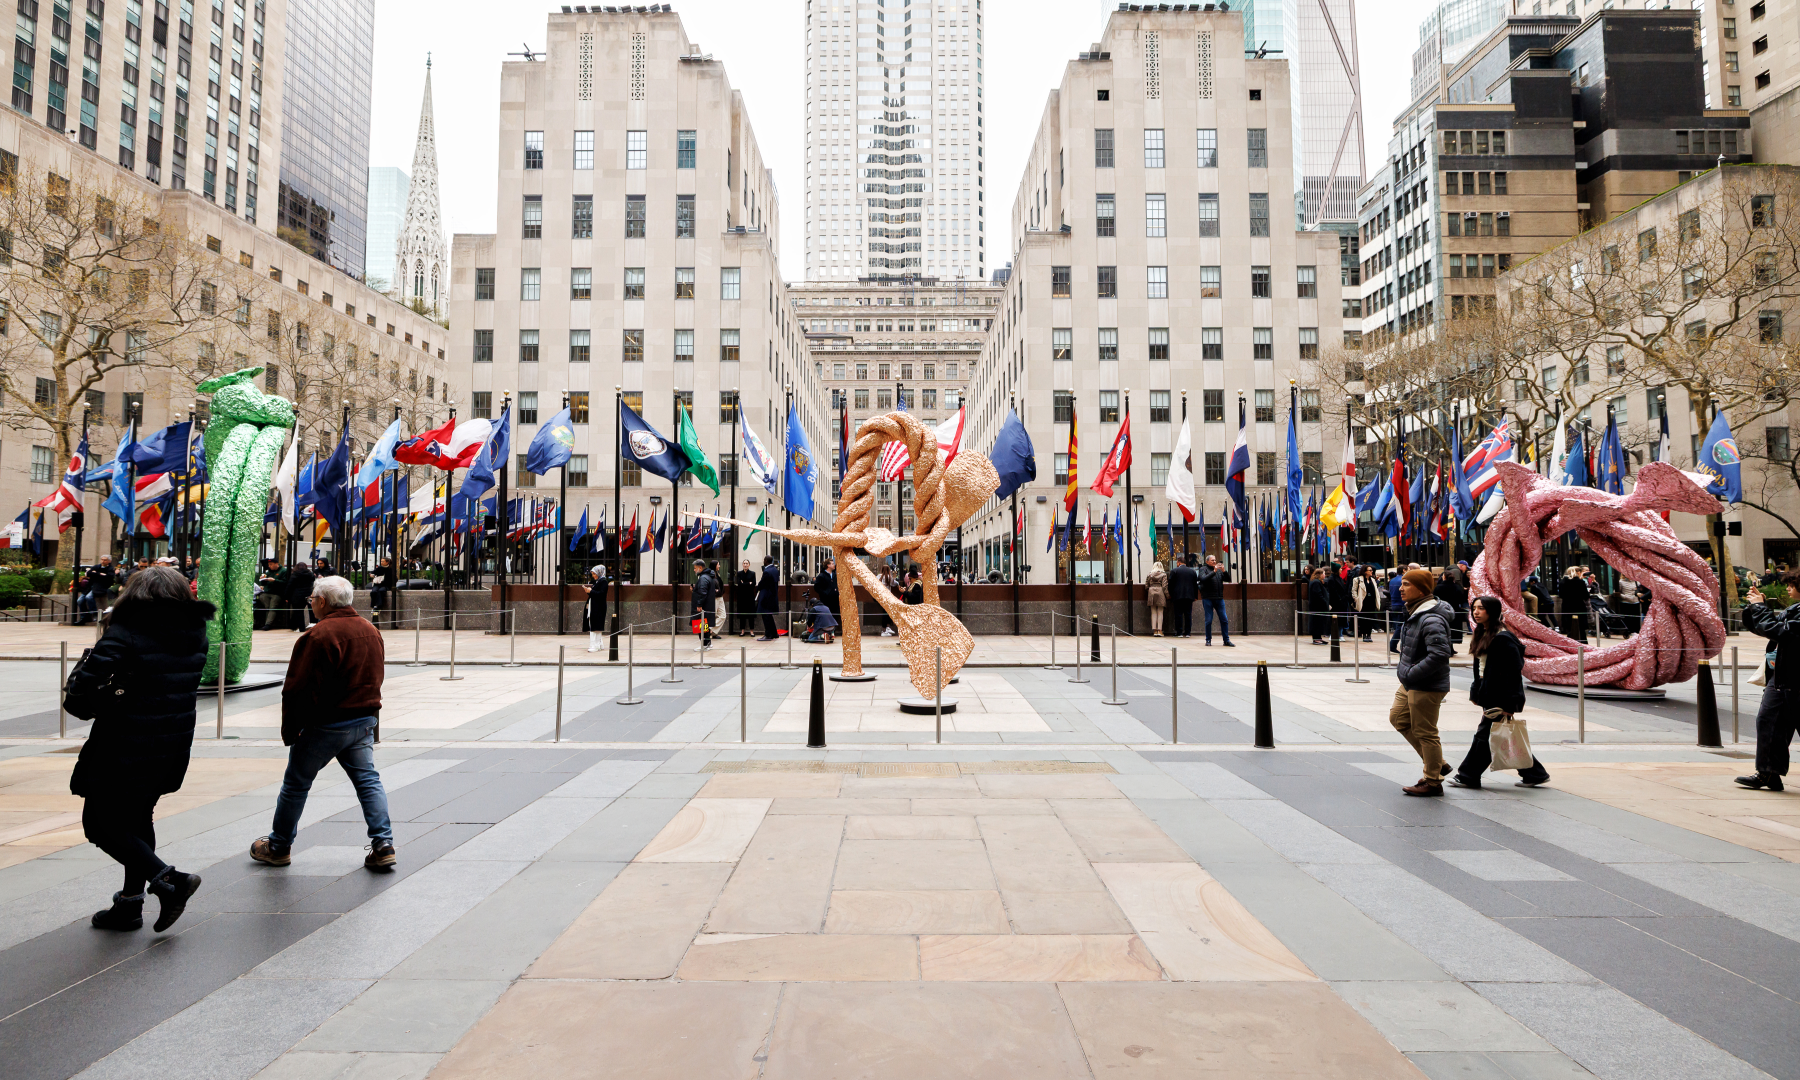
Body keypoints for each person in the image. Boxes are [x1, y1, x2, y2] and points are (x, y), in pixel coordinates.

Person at [69, 566, 213, 933]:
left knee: (99, 825)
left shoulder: (126, 632)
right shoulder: (195, 630)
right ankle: (130, 905)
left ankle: (170, 880)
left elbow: (81, 694)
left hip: (123, 746)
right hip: (171, 742)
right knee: (137, 820)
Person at [251, 575, 394, 871]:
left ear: (322, 602)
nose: (311, 603)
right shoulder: (370, 629)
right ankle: (383, 843)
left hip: (326, 724)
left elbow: (298, 688)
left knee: (295, 785)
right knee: (368, 781)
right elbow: (375, 676)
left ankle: (278, 846)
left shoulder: (318, 636)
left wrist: (293, 729)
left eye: (312, 599)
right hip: (363, 720)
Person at [1450, 596, 1549, 789]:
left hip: (1501, 697)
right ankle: (1534, 773)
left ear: (1492, 611)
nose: (1476, 612)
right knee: (1502, 736)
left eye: (1482, 608)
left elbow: (1513, 672)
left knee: (1485, 736)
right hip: (1490, 694)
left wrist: (1510, 704)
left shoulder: (1503, 638)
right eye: (1474, 608)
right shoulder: (1484, 632)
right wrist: (1476, 692)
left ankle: (1468, 775)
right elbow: (1480, 668)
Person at [1391, 568, 1453, 797]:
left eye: (1406, 584)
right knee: (1398, 718)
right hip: (1411, 680)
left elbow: (1439, 655)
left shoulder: (1431, 617)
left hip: (1425, 683)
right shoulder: (1416, 611)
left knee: (1425, 731)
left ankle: (1433, 780)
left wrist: (1411, 674)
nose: (1400, 588)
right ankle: (1437, 762)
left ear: (1422, 589)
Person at [1737, 571, 1800, 791]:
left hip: (1796, 680)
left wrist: (1760, 608)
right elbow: (1766, 626)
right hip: (1782, 677)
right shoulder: (1795, 609)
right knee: (1768, 721)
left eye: (1792, 585)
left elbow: (1779, 631)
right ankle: (1768, 773)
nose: (1787, 589)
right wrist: (1756, 606)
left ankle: (1769, 772)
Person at [1199, 554, 1233, 646]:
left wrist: (1224, 571)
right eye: (1212, 560)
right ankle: (1208, 640)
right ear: (1207, 562)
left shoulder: (1219, 571)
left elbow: (1228, 579)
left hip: (1219, 598)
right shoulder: (1203, 569)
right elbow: (1203, 579)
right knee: (1208, 620)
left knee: (1224, 619)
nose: (1214, 562)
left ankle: (1226, 640)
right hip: (1208, 598)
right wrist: (1213, 572)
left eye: (1215, 560)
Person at [1435, 567, 1468, 651]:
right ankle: (1451, 647)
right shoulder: (1457, 587)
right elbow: (1461, 599)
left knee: (1444, 629)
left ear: (1444, 577)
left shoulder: (1438, 587)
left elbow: (1435, 599)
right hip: (1454, 610)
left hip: (1441, 610)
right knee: (1453, 629)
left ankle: (1447, 647)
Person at [1167, 554, 1199, 638]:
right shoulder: (1192, 571)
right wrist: (1196, 596)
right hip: (1189, 596)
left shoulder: (1174, 571)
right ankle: (1188, 632)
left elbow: (1170, 584)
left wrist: (1171, 594)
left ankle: (1179, 632)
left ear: (1178, 562)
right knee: (1188, 614)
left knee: (1178, 614)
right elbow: (1195, 585)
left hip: (1177, 596)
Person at [691, 559, 719, 649]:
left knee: (701, 626)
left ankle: (704, 645)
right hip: (707, 606)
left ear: (700, 567)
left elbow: (703, 592)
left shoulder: (703, 578)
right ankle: (708, 644)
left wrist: (699, 605)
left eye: (695, 568)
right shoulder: (707, 576)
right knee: (704, 626)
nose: (694, 570)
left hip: (702, 607)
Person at [1558, 565, 1590, 643]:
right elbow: (1586, 596)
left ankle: (1570, 644)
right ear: (1577, 573)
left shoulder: (1563, 582)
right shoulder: (1580, 582)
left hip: (1567, 606)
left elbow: (1561, 595)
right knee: (1581, 628)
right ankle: (1583, 643)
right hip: (1579, 606)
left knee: (1569, 627)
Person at [583, 563, 609, 653]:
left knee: (595, 626)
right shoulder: (598, 582)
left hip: (598, 608)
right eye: (593, 574)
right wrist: (589, 591)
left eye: (595, 574)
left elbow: (601, 594)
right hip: (595, 607)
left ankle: (594, 645)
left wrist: (591, 591)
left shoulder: (603, 582)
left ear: (599, 573)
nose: (593, 576)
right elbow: (596, 593)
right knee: (595, 626)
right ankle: (598, 644)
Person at [284, 559, 316, 631]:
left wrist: (286, 596)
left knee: (299, 612)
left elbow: (289, 586)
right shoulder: (310, 574)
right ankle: (312, 626)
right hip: (308, 595)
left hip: (297, 596)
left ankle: (302, 628)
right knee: (311, 610)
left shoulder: (295, 574)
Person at [756, 555, 780, 640]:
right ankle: (774, 633)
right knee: (769, 616)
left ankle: (768, 635)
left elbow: (762, 583)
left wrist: (757, 587)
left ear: (766, 560)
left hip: (766, 597)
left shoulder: (767, 571)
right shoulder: (775, 570)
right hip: (772, 597)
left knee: (766, 616)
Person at [1354, 564, 1380, 641]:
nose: (1371, 571)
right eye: (1370, 570)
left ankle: (1369, 635)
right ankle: (1364, 635)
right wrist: (1356, 599)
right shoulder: (1357, 579)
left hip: (1371, 602)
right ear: (1365, 571)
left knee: (1371, 619)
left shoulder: (1373, 580)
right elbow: (1354, 590)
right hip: (1363, 602)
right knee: (1363, 619)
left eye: (1372, 570)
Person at [1306, 568, 1331, 644]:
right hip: (1317, 607)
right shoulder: (1316, 582)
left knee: (1320, 623)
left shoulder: (1317, 582)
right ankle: (1316, 638)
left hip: (1318, 607)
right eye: (1323, 573)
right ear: (1319, 574)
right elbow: (1318, 595)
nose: (1324, 575)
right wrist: (1325, 603)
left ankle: (1318, 638)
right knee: (1317, 623)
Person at [368, 558, 396, 626]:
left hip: (385, 585)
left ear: (387, 562)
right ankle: (374, 605)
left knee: (381, 591)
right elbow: (372, 572)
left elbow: (394, 578)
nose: (382, 562)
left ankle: (378, 606)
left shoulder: (390, 569)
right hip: (377, 584)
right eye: (381, 561)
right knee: (373, 592)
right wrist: (371, 575)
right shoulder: (379, 568)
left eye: (383, 561)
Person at [733, 559, 758, 636]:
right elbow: (740, 585)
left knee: (751, 614)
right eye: (744, 563)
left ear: (749, 565)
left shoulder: (752, 573)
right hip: (742, 597)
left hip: (750, 597)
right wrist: (748, 583)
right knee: (742, 614)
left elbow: (753, 584)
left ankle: (751, 631)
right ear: (742, 564)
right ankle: (742, 631)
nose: (745, 565)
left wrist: (744, 583)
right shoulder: (739, 573)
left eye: (747, 563)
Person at [1145, 561, 1168, 637]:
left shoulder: (1150, 574)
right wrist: (1167, 595)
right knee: (1160, 612)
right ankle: (1160, 630)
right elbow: (1164, 586)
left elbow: (1146, 585)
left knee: (1153, 612)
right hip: (1160, 592)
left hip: (1151, 592)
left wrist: (1150, 589)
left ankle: (1154, 630)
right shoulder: (1163, 575)